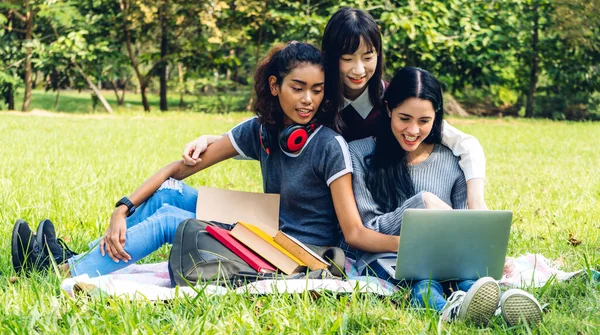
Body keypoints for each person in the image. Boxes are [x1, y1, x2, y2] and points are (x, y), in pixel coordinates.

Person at [12, 42, 402, 279]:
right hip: (266, 224)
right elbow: (179, 169)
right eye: (298, 88)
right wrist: (123, 206)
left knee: (169, 222)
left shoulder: (329, 145)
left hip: (296, 252)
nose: (307, 100)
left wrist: (408, 244)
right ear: (275, 86)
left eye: (317, 90)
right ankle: (74, 257)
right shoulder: (261, 128)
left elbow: (352, 234)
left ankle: (60, 271)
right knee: (171, 195)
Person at [182, 7, 487, 211]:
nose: (359, 69)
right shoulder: (317, 98)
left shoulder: (393, 102)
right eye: (347, 57)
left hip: (363, 216)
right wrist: (214, 139)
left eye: (368, 57)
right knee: (181, 201)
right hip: (297, 211)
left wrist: (476, 204)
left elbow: (465, 143)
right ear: (330, 56)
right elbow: (270, 128)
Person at [348, 66, 543, 327]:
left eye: (424, 121)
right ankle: (450, 311)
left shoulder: (451, 160)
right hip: (384, 259)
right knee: (423, 282)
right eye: (404, 118)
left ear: (436, 117)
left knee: (469, 281)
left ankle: (497, 307)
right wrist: (421, 204)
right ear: (388, 110)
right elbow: (366, 228)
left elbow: (465, 226)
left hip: (447, 258)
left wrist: (487, 256)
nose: (413, 130)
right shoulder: (359, 154)